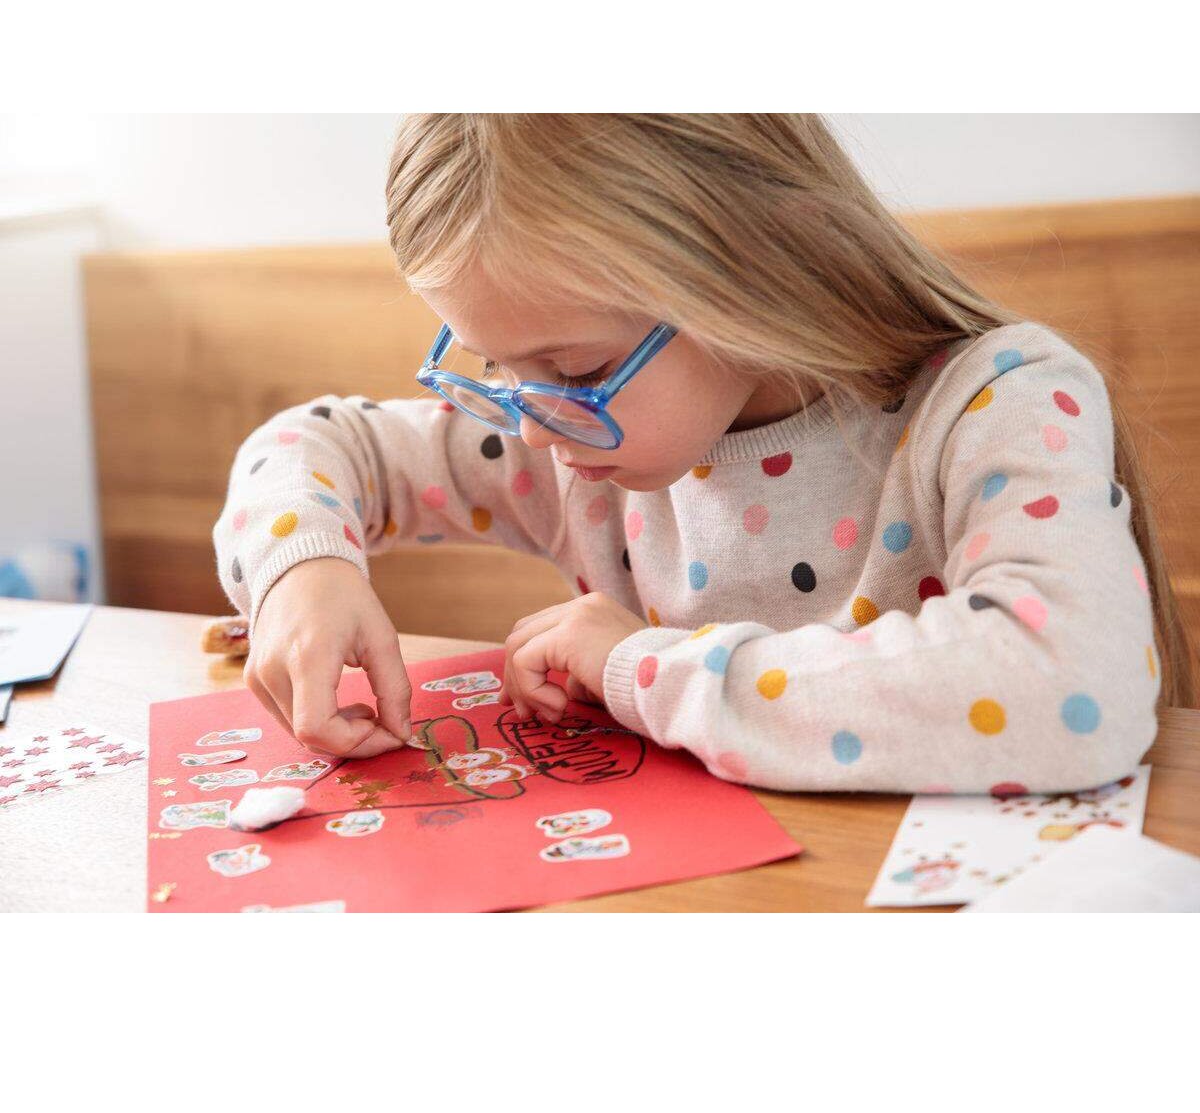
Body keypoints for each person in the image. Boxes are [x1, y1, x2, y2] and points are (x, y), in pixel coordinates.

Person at [213, 114, 1192, 793]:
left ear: (752, 272)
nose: (533, 424)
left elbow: (1073, 686)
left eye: (578, 368)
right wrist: (302, 572)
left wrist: (643, 668)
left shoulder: (994, 401)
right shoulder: (569, 446)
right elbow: (318, 443)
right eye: (493, 366)